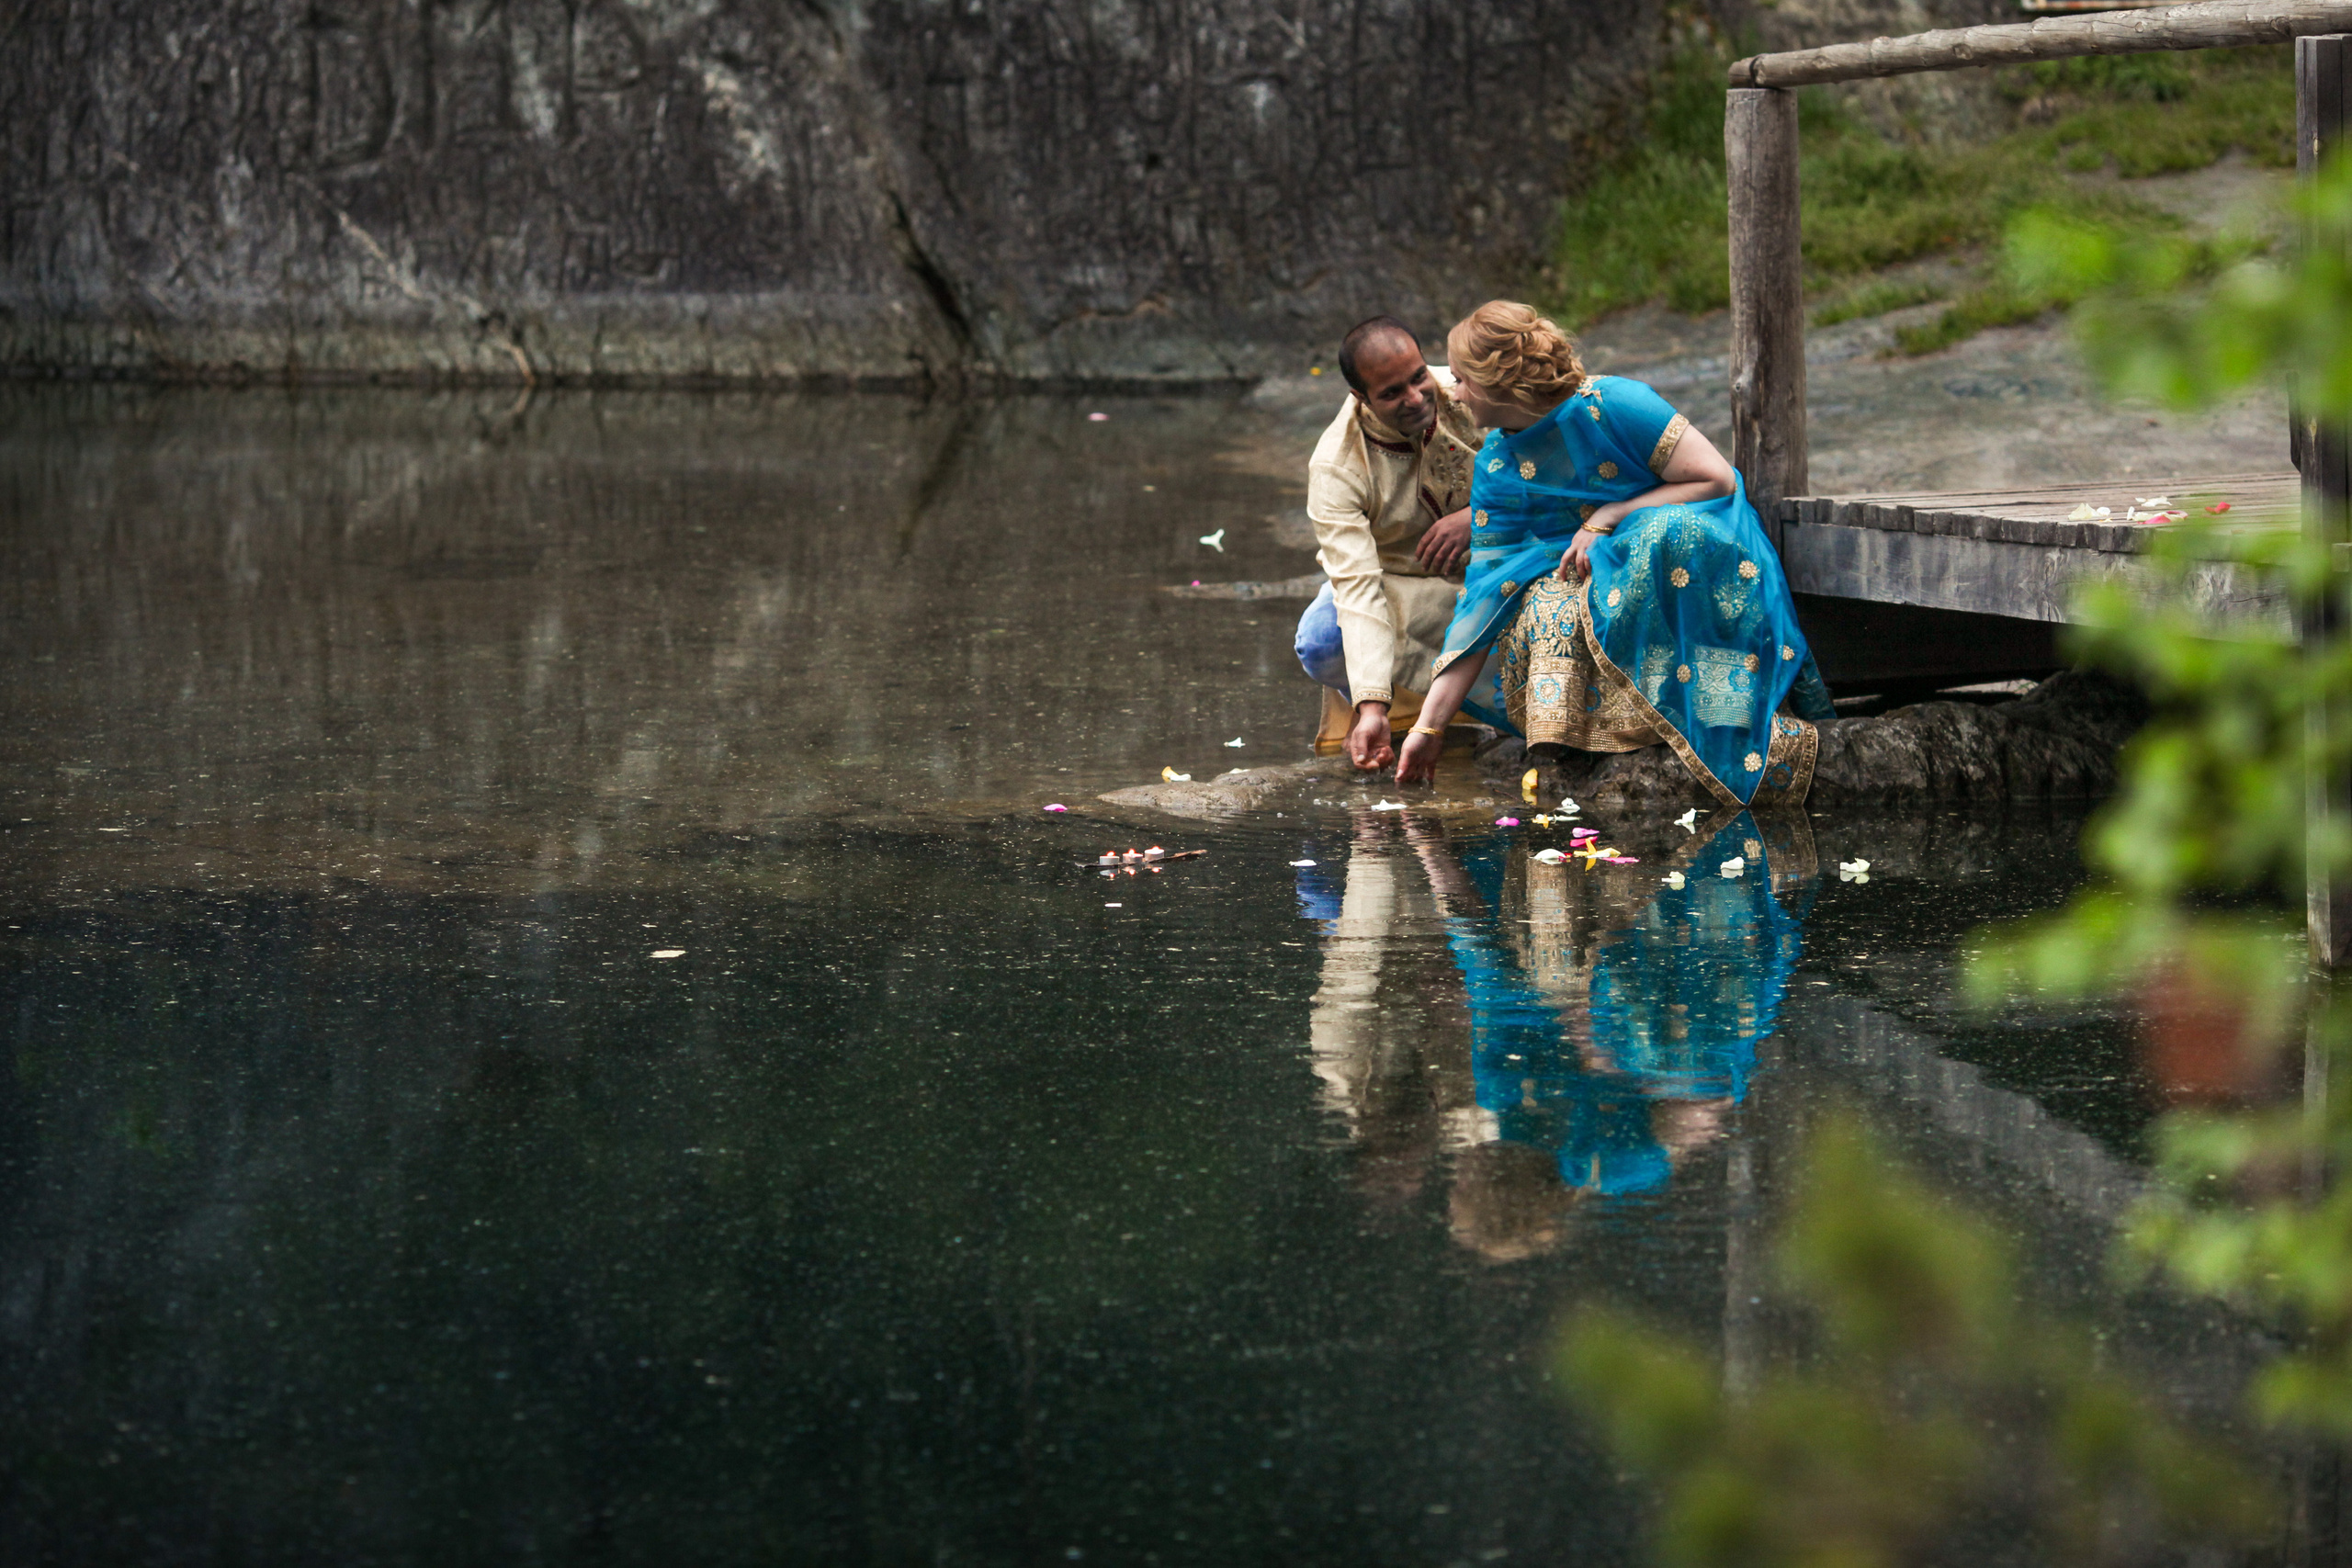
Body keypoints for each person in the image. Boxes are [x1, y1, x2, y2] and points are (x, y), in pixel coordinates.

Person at [1394, 302, 1836, 808]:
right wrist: (1429, 727)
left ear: (1500, 387)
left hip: (1695, 545)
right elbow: (1485, 596)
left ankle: (1714, 712)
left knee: (1660, 533)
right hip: (1602, 584)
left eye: (1465, 380)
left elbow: (1714, 478)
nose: (1454, 391)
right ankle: (1604, 738)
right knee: (1544, 601)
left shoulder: (1615, 404)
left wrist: (1611, 516)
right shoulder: (1498, 465)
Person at [1294, 316, 1487, 770]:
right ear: (1360, 397)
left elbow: (1542, 463)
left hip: (1495, 568)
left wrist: (1478, 518)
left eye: (1419, 376)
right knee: (1320, 642)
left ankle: (1474, 709)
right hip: (1397, 586)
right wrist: (1371, 706)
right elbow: (1357, 588)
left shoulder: (1471, 390)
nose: (1416, 397)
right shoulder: (1337, 466)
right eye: (1392, 393)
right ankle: (1398, 716)